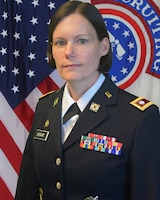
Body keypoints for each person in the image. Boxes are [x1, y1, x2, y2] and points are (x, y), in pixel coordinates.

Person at [15, 1, 160, 200]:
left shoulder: (138, 118)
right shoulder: (45, 107)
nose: (69, 52)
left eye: (81, 41)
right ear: (52, 52)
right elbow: (27, 190)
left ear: (104, 47)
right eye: (60, 42)